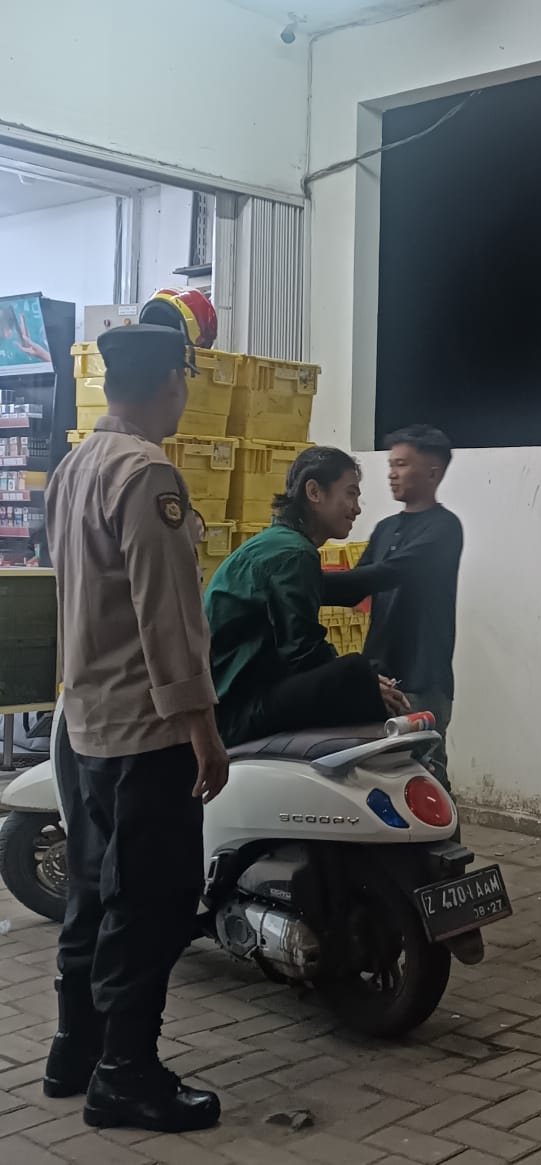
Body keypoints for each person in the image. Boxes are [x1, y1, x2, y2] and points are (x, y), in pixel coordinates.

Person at [44, 324, 227, 1132]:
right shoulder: (148, 472)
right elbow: (168, 616)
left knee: (93, 888)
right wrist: (202, 727)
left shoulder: (76, 464)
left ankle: (74, 1048)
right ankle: (126, 1073)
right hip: (146, 731)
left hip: (86, 721)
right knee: (150, 899)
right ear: (172, 384)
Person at [204, 445, 408, 746]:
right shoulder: (293, 554)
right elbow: (302, 651)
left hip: (240, 696)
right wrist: (362, 682)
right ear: (314, 492)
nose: (357, 508)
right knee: (355, 670)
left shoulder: (277, 543)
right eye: (350, 494)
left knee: (364, 672)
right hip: (236, 711)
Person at [321, 425, 462, 785]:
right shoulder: (385, 528)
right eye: (390, 464)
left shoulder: (444, 529)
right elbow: (354, 589)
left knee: (426, 777)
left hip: (422, 678)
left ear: (432, 472)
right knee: (381, 777)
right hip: (380, 675)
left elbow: (387, 573)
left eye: (401, 464)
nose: (391, 473)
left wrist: (304, 579)